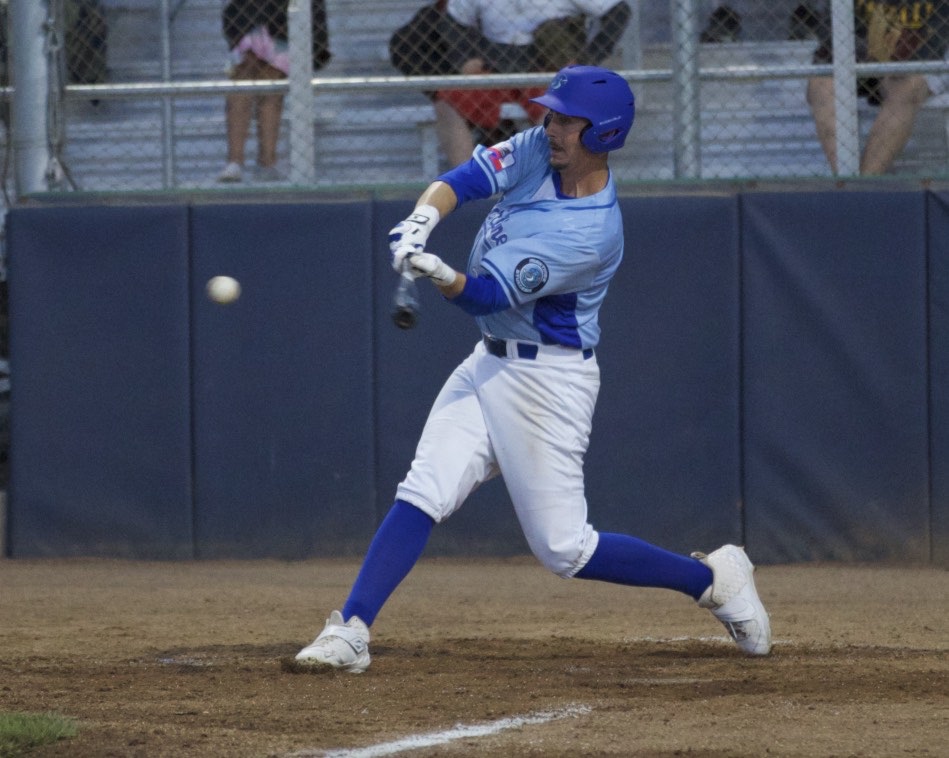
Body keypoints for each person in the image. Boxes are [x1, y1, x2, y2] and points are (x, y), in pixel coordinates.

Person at [293, 65, 772, 674]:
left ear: (603, 133)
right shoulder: (539, 149)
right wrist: (421, 220)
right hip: (487, 361)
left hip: (548, 382)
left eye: (569, 121)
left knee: (565, 549)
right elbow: (464, 180)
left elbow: (487, 295)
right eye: (552, 115)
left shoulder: (589, 232)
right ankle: (351, 629)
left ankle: (712, 580)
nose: (552, 127)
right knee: (424, 488)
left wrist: (439, 273)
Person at [434, 0, 632, 167]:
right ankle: (468, 184)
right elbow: (452, 22)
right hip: (494, 64)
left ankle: (543, 184)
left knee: (561, 106)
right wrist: (465, 58)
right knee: (448, 102)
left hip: (546, 64)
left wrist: (587, 60)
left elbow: (618, 11)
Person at [806, 0, 949, 175]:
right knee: (821, 85)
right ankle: (845, 178)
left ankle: (866, 180)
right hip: (859, 58)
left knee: (905, 89)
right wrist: (871, 54)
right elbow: (830, 33)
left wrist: (900, 61)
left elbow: (939, 36)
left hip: (922, 59)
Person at [217, 0, 330, 183]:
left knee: (272, 80)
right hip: (247, 12)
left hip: (285, 17)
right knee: (243, 75)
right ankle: (235, 161)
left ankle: (267, 161)